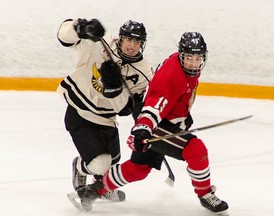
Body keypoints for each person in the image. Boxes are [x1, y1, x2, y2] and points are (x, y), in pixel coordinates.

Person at [76, 32, 229, 215]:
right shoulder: (172, 75)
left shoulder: (184, 66)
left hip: (158, 121)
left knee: (138, 169)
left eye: (198, 58)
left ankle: (92, 191)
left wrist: (181, 117)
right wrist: (143, 129)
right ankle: (205, 195)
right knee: (196, 150)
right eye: (189, 57)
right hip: (155, 125)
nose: (193, 63)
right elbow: (155, 105)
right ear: (181, 55)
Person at [57, 18, 152, 210]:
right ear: (121, 38)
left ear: (142, 44)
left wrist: (114, 88)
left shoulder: (143, 73)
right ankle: (80, 166)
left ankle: (104, 185)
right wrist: (81, 27)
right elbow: (63, 37)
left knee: (114, 168)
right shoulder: (99, 42)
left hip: (107, 119)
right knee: (100, 164)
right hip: (80, 112)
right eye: (128, 40)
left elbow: (125, 109)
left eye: (137, 42)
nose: (132, 46)